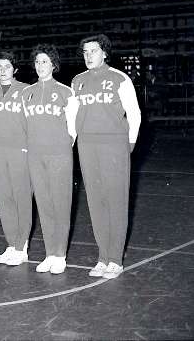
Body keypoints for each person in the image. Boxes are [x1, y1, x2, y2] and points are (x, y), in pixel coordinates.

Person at [72, 34, 141, 280]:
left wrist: (128, 144)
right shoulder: (77, 81)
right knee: (96, 202)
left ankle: (115, 259)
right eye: (85, 52)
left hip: (114, 146)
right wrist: (71, 142)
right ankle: (103, 257)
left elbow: (134, 113)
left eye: (93, 51)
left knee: (116, 201)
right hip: (87, 146)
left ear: (105, 53)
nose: (88, 55)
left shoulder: (119, 78)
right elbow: (72, 117)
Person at [23, 45, 77, 274]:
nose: (40, 66)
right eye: (37, 62)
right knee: (44, 204)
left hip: (58, 154)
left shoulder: (66, 92)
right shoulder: (27, 93)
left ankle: (60, 254)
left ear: (53, 64)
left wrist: (61, 147)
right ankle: (50, 253)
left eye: (45, 61)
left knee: (60, 204)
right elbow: (26, 125)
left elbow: (73, 129)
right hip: (36, 155)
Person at [0, 51, 31, 266]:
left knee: (21, 198)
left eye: (7, 66)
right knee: (5, 199)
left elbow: (32, 122)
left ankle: (22, 246)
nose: (3, 70)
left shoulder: (25, 90)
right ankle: (12, 243)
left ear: (15, 69)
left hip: (19, 151)